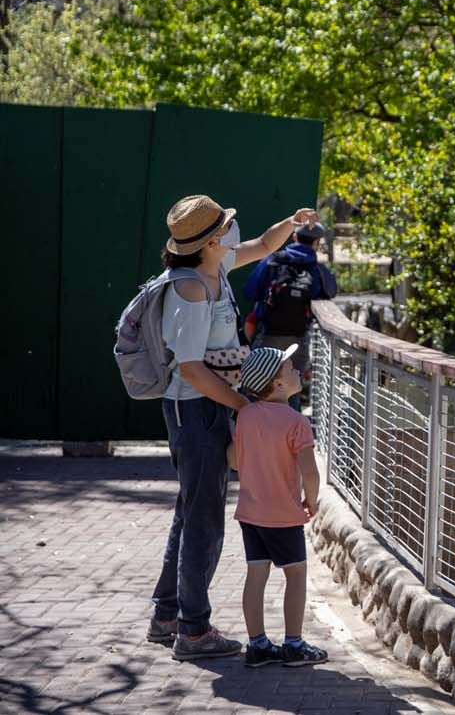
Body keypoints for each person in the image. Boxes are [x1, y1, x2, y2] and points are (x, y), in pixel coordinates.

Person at [147, 195, 318, 661]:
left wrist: (292, 221)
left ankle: (168, 615)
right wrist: (247, 406)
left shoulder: (215, 269)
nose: (232, 229)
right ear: (210, 241)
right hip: (196, 411)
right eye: (224, 225)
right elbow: (193, 369)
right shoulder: (190, 291)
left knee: (191, 510)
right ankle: (194, 631)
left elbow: (264, 245)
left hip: (210, 407)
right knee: (203, 520)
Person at [227, 345, 328, 668]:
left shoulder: (245, 416)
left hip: (250, 512)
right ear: (279, 384)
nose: (297, 369)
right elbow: (310, 472)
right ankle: (294, 645)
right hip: (283, 516)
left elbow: (233, 460)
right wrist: (310, 501)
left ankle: (257, 645)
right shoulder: (296, 422)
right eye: (290, 368)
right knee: (296, 575)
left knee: (256, 574)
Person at [243, 222, 337, 409]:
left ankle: (253, 431)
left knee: (256, 388)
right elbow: (331, 291)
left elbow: (250, 291)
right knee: (291, 390)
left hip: (267, 336)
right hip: (298, 338)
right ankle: (288, 434)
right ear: (317, 242)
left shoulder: (272, 261)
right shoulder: (317, 270)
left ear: (294, 237)